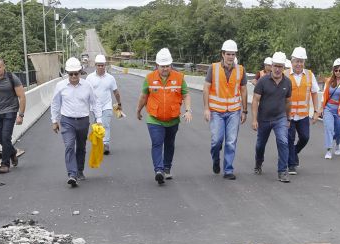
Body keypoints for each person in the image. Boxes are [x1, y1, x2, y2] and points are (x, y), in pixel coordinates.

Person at [136, 48, 193, 185]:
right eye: (162, 66)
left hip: (173, 119)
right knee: (157, 143)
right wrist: (138, 110)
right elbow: (144, 96)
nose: (165, 69)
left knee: (169, 144)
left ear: (171, 65)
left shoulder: (179, 78)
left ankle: (167, 168)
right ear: (157, 65)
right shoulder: (149, 78)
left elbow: (186, 94)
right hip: (154, 119)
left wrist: (188, 110)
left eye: (167, 66)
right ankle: (159, 170)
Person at [50, 57, 103, 188]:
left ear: (80, 72)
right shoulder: (60, 86)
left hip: (83, 120)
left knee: (81, 147)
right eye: (70, 74)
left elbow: (94, 103)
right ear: (67, 74)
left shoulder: (87, 85)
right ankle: (72, 174)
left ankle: (79, 170)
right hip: (67, 121)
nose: (73, 76)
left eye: (76, 73)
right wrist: (54, 121)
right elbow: (55, 104)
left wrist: (99, 119)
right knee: (69, 146)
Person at [203, 39, 248, 180]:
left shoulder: (240, 70)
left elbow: (244, 90)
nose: (231, 57)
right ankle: (216, 159)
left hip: (234, 111)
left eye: (233, 54)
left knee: (231, 141)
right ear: (223, 54)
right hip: (216, 110)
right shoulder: (213, 68)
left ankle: (228, 169)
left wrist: (244, 111)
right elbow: (206, 88)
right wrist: (206, 109)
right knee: (216, 141)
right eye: (228, 54)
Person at [251, 51, 293, 183]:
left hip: (279, 118)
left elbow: (288, 101)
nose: (277, 69)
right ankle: (258, 163)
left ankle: (282, 171)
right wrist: (254, 119)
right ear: (271, 65)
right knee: (260, 145)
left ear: (284, 68)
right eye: (275, 65)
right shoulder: (263, 81)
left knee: (283, 141)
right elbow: (255, 100)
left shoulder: (287, 82)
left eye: (280, 66)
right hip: (264, 119)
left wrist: (288, 118)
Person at [286, 47, 320, 175]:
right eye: (297, 61)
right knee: (289, 138)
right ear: (292, 61)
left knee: (305, 137)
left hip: (303, 115)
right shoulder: (285, 74)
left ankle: (294, 152)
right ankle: (291, 164)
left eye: (301, 61)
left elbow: (315, 93)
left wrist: (316, 111)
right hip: (288, 115)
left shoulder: (310, 75)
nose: (299, 64)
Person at [87, 54, 122, 155]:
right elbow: (86, 92)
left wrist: (119, 103)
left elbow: (116, 92)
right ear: (95, 65)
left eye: (102, 65)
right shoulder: (90, 78)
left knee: (105, 124)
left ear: (105, 65)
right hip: (94, 107)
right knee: (97, 125)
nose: (101, 67)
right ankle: (99, 144)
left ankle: (106, 144)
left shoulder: (110, 78)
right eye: (99, 65)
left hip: (107, 105)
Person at [319, 58, 340, 159]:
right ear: (333, 71)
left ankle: (337, 144)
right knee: (329, 128)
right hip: (328, 108)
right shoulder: (328, 81)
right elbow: (323, 96)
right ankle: (329, 150)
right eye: (336, 70)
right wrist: (321, 108)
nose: (338, 72)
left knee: (338, 131)